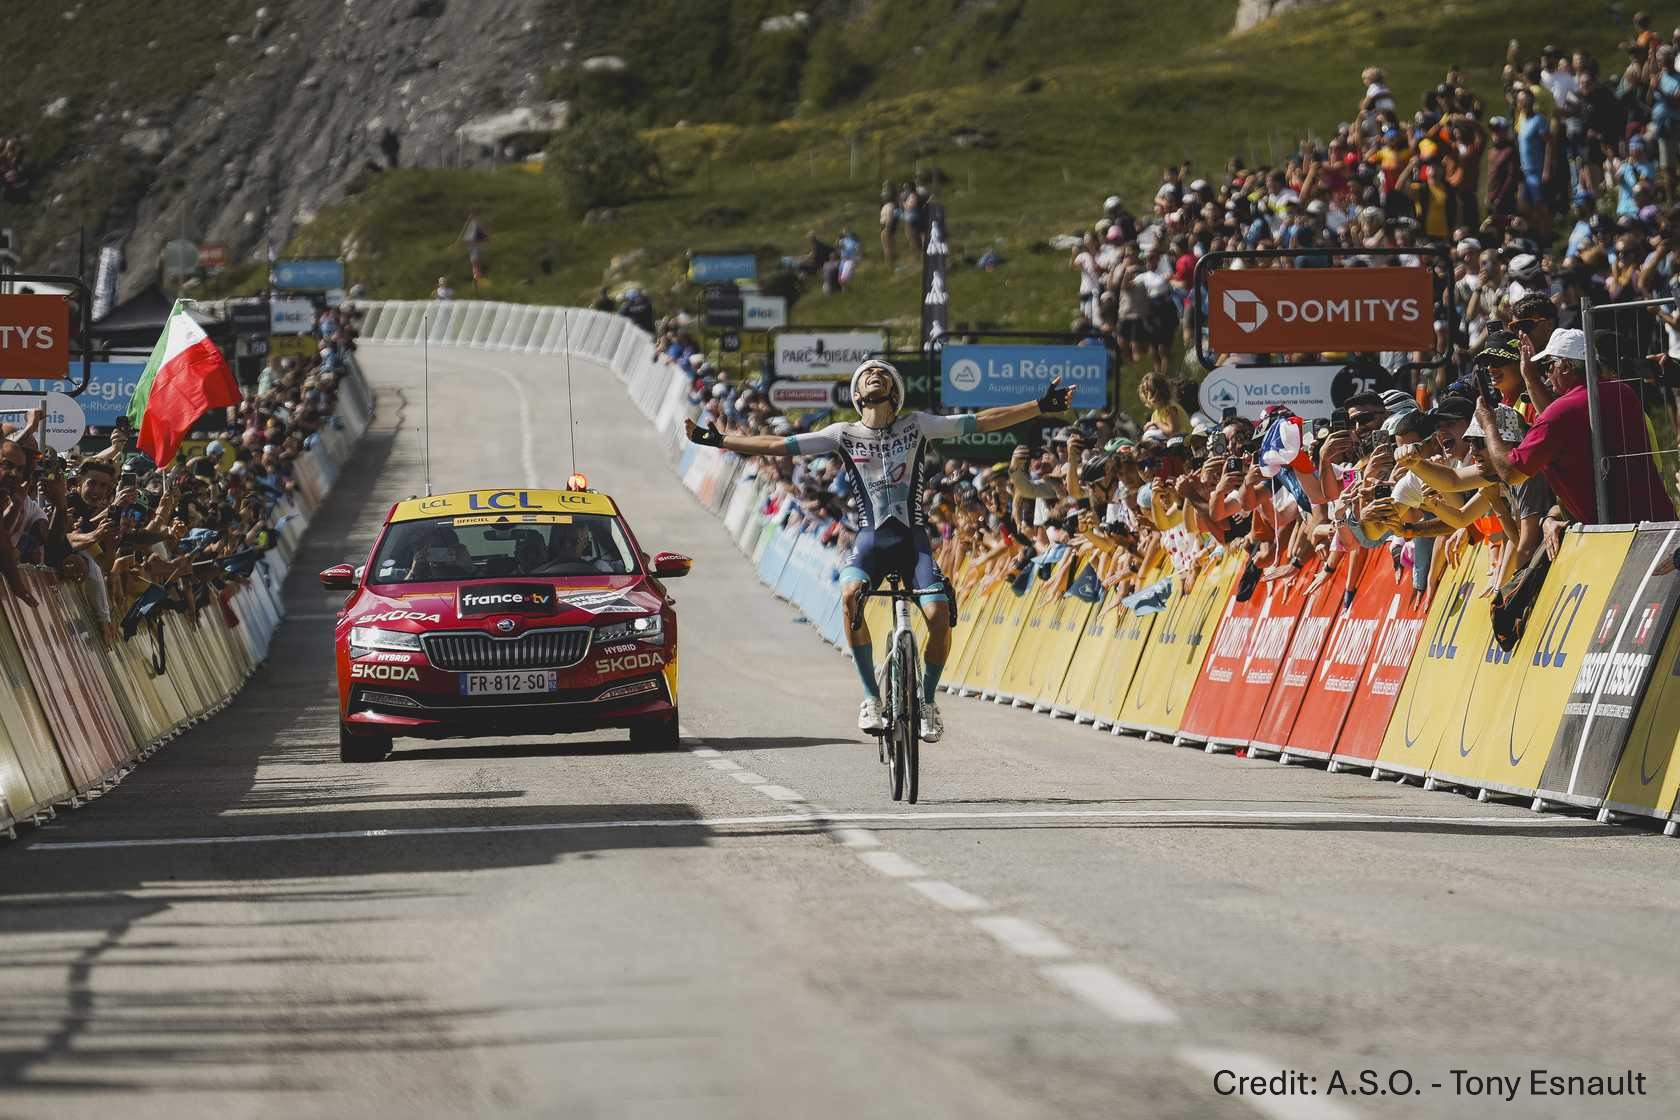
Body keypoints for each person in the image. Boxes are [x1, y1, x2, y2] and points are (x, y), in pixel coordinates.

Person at [684, 359, 1073, 742]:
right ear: (856, 394)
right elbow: (776, 445)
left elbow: (982, 420)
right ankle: (870, 697)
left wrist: (1039, 406)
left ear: (894, 390)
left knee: (938, 615)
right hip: (870, 542)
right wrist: (717, 439)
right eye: (867, 373)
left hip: (913, 544)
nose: (874, 374)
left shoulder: (917, 425)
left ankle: (926, 702)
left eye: (882, 373)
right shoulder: (842, 433)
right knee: (851, 596)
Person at [1473, 328, 1676, 525]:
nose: (1546, 374)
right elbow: (1560, 424)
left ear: (1567, 366)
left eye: (1548, 366)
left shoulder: (1563, 412)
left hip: (1617, 536)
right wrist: (1530, 378)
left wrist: (1489, 424)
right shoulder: (1623, 392)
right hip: (1660, 525)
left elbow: (1510, 472)